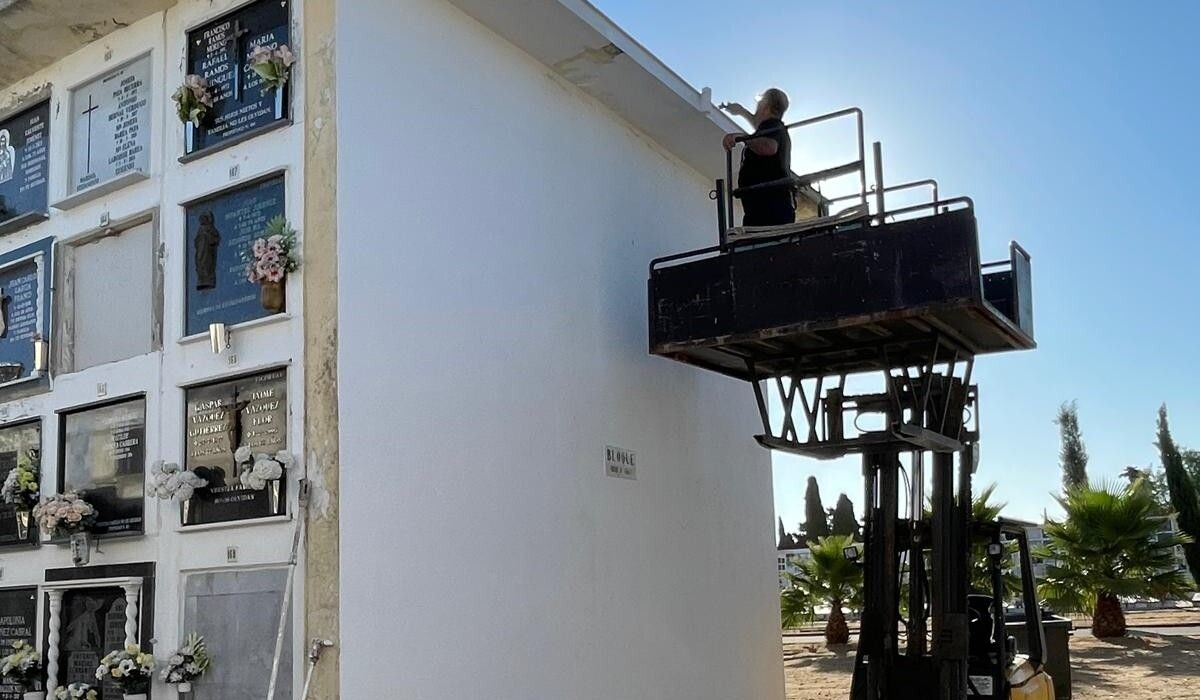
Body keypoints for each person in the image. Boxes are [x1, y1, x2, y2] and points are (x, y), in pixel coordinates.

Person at [721, 88, 794, 226]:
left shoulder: (773, 126)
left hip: (769, 210)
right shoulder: (772, 128)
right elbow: (758, 124)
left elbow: (769, 147)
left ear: (766, 107)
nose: (757, 106)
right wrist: (742, 111)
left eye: (760, 103)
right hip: (767, 209)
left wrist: (742, 138)